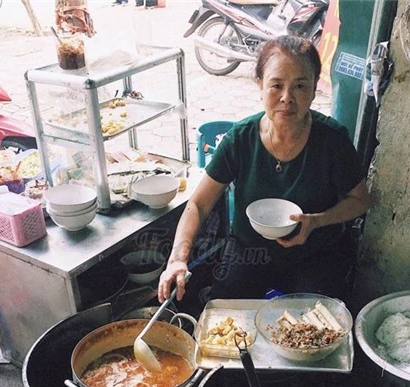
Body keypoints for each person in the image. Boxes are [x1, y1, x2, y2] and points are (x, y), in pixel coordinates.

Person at [158, 35, 370, 305]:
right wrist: (177, 259)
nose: (287, 98)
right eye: (276, 85)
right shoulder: (241, 138)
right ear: (260, 85)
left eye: (300, 86)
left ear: (315, 89)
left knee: (316, 325)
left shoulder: (332, 139)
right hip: (250, 250)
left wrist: (316, 221)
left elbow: (360, 201)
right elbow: (198, 204)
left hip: (315, 253)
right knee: (224, 311)